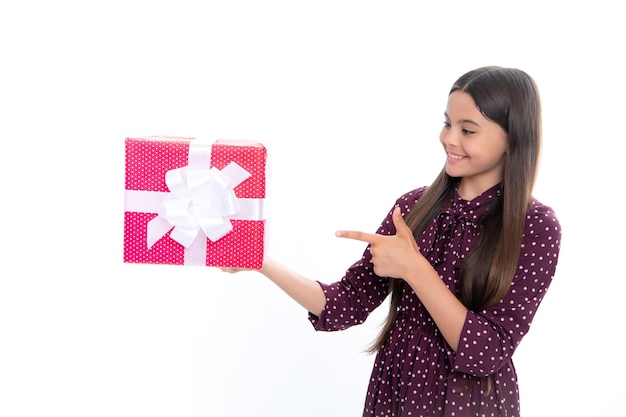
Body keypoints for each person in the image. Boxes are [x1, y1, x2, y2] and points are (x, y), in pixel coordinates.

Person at [228, 66, 562, 417]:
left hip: (469, 404)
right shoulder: (414, 208)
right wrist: (259, 260)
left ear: (513, 137)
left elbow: (487, 353)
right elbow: (344, 304)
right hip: (396, 392)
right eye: (448, 123)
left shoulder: (535, 227)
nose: (449, 139)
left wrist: (416, 270)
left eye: (468, 130)